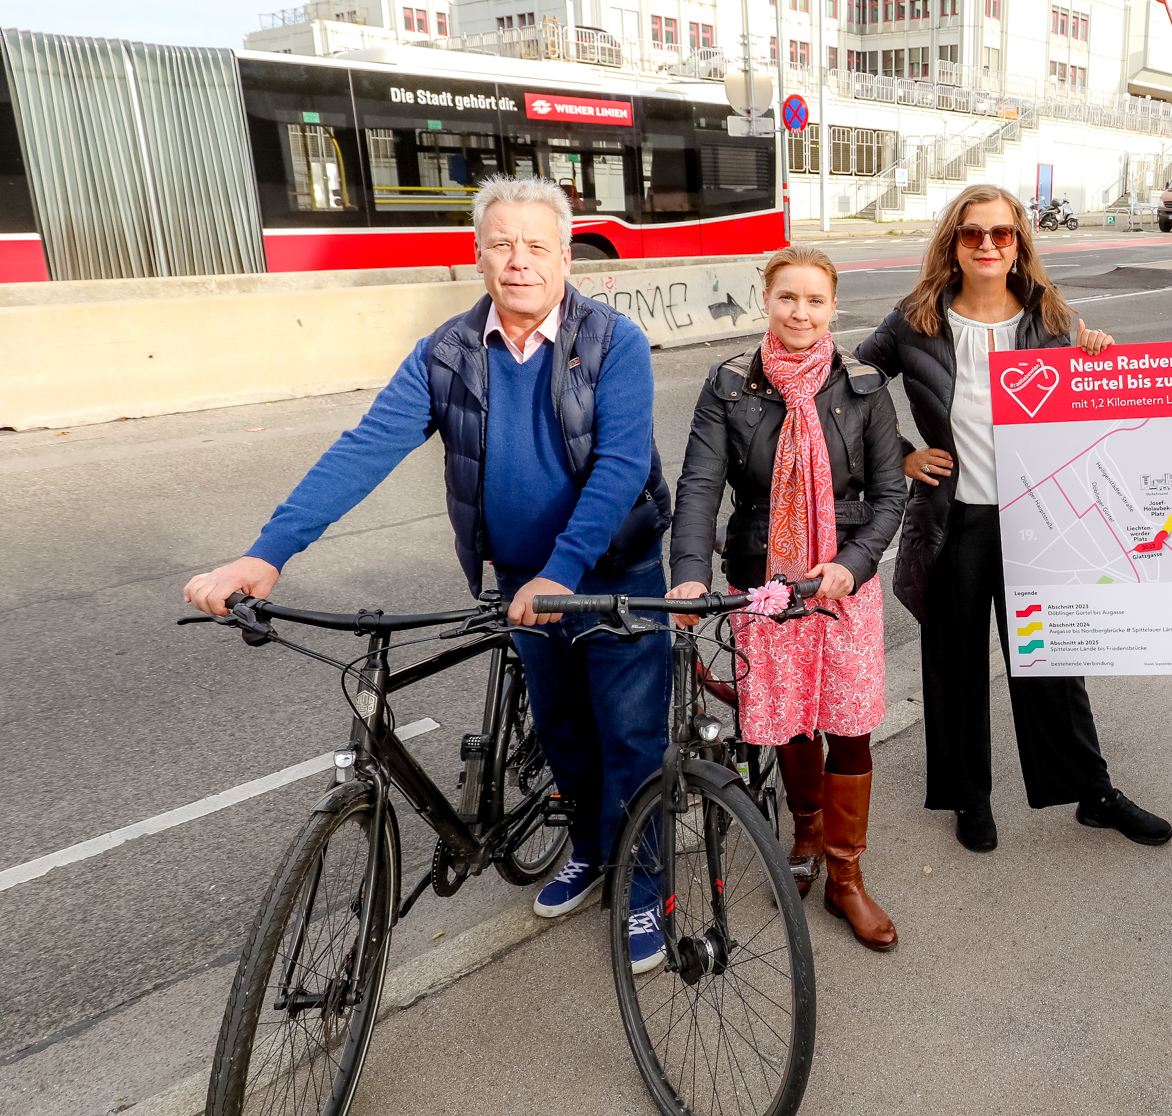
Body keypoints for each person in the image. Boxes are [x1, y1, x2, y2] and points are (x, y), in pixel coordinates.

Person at [183, 177, 674, 954]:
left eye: (537, 245)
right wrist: (265, 553)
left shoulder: (615, 342)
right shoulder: (446, 353)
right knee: (566, 735)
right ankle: (586, 850)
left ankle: (646, 887)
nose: (520, 261)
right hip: (521, 582)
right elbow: (364, 449)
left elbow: (619, 467)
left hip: (612, 573)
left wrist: (563, 569)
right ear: (477, 255)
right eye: (502, 244)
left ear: (565, 255)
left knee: (632, 738)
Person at [857, 184, 1172, 853]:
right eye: (974, 234)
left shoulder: (1052, 320)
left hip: (1039, 520)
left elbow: (1087, 421)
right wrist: (905, 456)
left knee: (1053, 663)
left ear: (1019, 243)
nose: (989, 245)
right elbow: (851, 385)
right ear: (954, 243)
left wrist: (1100, 366)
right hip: (955, 521)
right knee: (955, 665)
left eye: (1002, 233)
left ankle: (1094, 792)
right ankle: (969, 797)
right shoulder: (915, 320)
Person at [668, 245, 907, 950]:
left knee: (848, 723)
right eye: (787, 298)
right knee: (794, 722)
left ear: (833, 307)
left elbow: (891, 494)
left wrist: (853, 564)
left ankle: (847, 873)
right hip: (764, 581)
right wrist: (687, 571)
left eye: (814, 300)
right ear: (766, 301)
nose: (800, 311)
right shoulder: (729, 386)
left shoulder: (863, 385)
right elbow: (700, 486)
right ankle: (804, 834)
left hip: (841, 584)